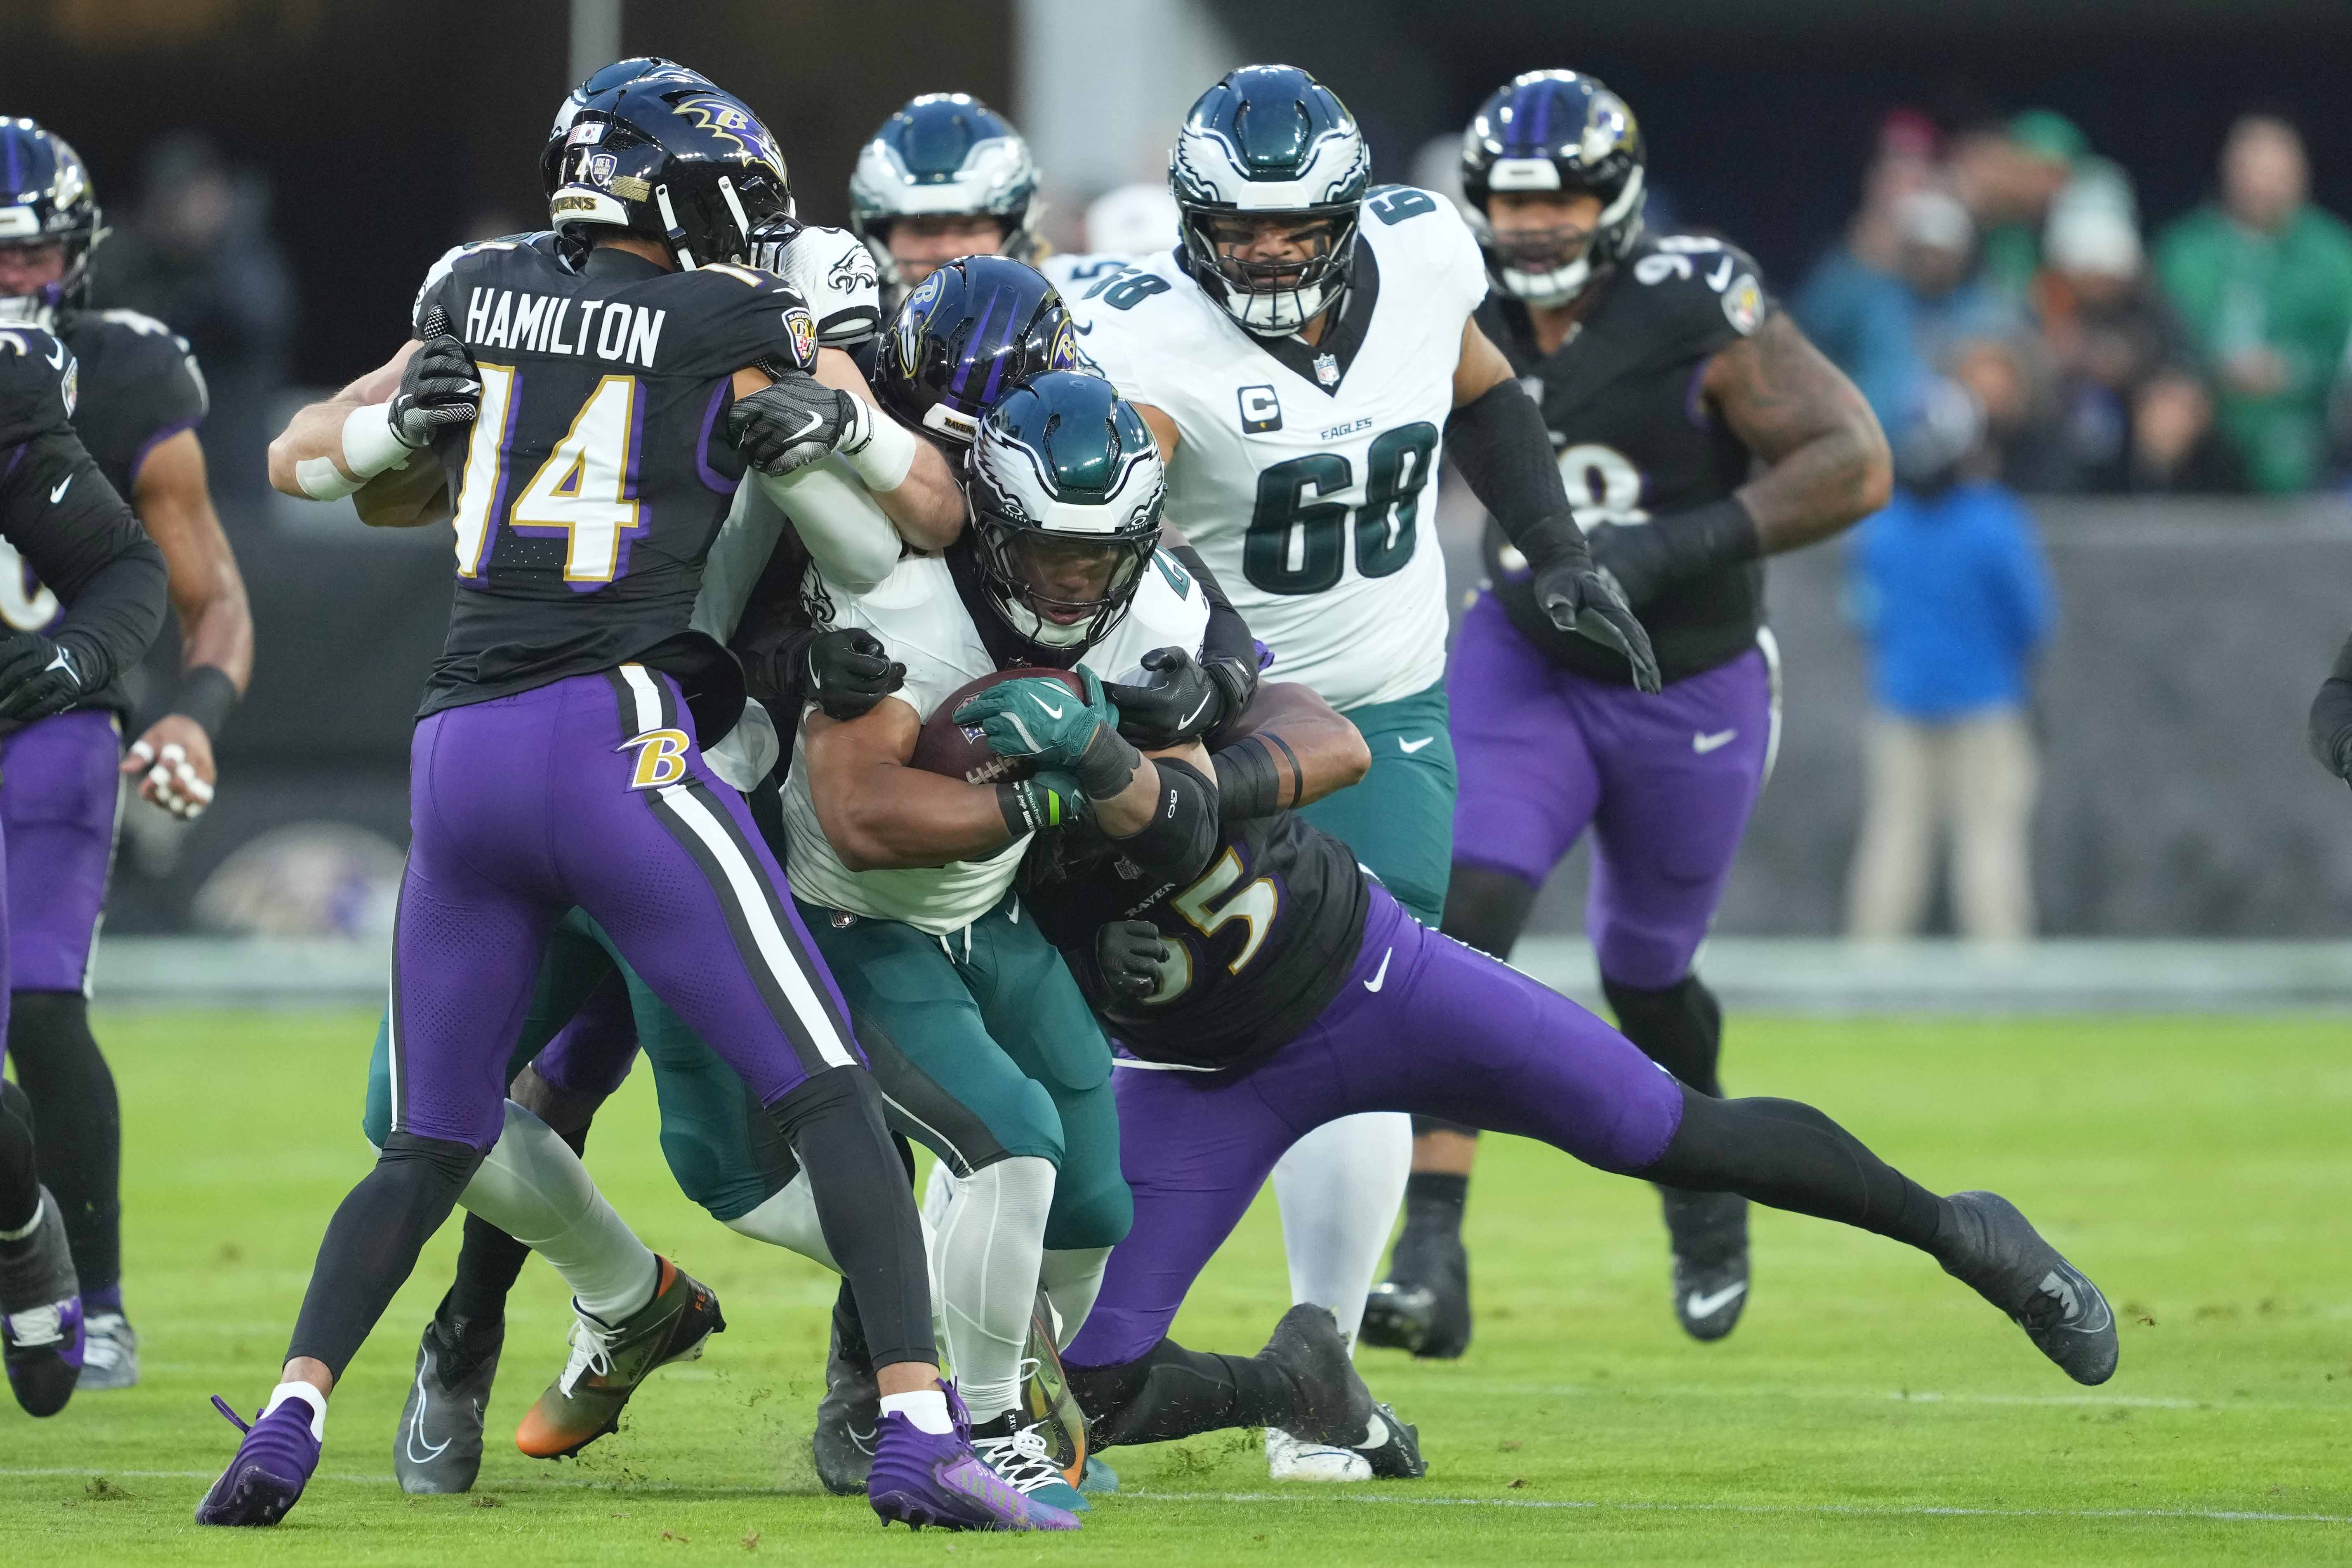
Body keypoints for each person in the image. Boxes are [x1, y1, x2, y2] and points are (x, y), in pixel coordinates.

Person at [202, 80, 1062, 1534]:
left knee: (430, 1140)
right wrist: (838, 430)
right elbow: (928, 507)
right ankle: (921, 1428)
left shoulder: (476, 289)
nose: (752, 216)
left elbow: (301, 459)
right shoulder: (736, 321)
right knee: (831, 1088)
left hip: (455, 752)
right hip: (621, 741)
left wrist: (382, 442)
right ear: (662, 190)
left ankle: (288, 1418)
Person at [987, 662, 2121, 1452]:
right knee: (1081, 1393)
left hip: (1371, 979)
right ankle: (1296, 1387)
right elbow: (960, 923)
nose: (1068, 580)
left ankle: (1962, 1232)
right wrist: (1080, 954)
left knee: (1668, 1132)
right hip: (1200, 1073)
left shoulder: (1154, 602)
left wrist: (1191, 778)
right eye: (1046, 558)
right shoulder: (950, 721)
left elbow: (1315, 731)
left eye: (1087, 555)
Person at [1066, 63, 1651, 1483]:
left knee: (1364, 1022)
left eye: (1290, 226)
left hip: (1387, 711)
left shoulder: (1429, 251)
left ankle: (1315, 1370)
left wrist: (1561, 555)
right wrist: (1187, 676)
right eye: (1237, 226)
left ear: (1344, 214)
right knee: (1147, 1026)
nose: (1264, 252)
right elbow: (1120, 521)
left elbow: (1489, 395)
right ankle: (1063, 1365)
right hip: (1206, 718)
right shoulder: (1146, 337)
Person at [1366, 68, 1890, 1362]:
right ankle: (1429, 1243)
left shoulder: (1691, 299)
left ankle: (1701, 1176)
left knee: (1642, 974)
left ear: (1618, 196)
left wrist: (1660, 551)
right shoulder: (1448, 294)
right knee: (1464, 918)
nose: (1534, 225)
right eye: (1509, 200)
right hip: (1521, 660)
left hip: (1686, 682)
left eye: (1563, 198)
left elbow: (1853, 458)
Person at [0, 118, 254, 1392]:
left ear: (79, 255)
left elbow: (206, 593)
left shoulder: (123, 373)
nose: (13, 284)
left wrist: (186, 714)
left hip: (52, 716)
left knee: (39, 1003)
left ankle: (91, 1301)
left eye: (32, 255)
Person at [0, 324, 169, 1420]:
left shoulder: (20, 379)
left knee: (38, 1007)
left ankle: (38, 1255)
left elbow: (127, 565)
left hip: (30, 726)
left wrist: (69, 658)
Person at [1844, 379, 2054, 942]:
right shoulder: (1994, 521)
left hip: (1900, 700)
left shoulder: (1880, 526)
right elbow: (2033, 621)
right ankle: (1999, 968)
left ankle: (1870, 966)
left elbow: (1864, 619)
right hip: (1984, 703)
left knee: (1894, 838)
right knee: (1988, 840)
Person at [90, 132, 293, 509]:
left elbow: (259, 317)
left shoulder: (244, 259)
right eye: (173, 197)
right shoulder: (136, 262)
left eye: (195, 194)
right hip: (147, 480)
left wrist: (217, 248)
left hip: (233, 486)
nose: (185, 210)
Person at [2156, 115, 2352, 494]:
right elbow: (2161, 335)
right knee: (2166, 411)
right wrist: (2213, 371)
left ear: (2301, 177)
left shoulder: (2335, 257)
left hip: (2307, 412)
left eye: (2277, 174)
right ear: (2229, 172)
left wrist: (2290, 369)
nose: (2262, 186)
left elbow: (2341, 349)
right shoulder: (2184, 250)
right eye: (2252, 171)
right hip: (2207, 405)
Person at [2030, 192, 2233, 493]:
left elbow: (2179, 363)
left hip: (2131, 428)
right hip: (2058, 423)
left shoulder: (2150, 307)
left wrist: (2134, 367)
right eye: (2090, 273)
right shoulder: (2045, 300)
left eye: (2110, 274)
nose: (2101, 283)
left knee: (2169, 413)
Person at [850, 94, 1043, 314]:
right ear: (881, 238)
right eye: (922, 228)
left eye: (968, 226)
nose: (947, 250)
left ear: (1014, 230)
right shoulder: (839, 341)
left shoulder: (1077, 306)